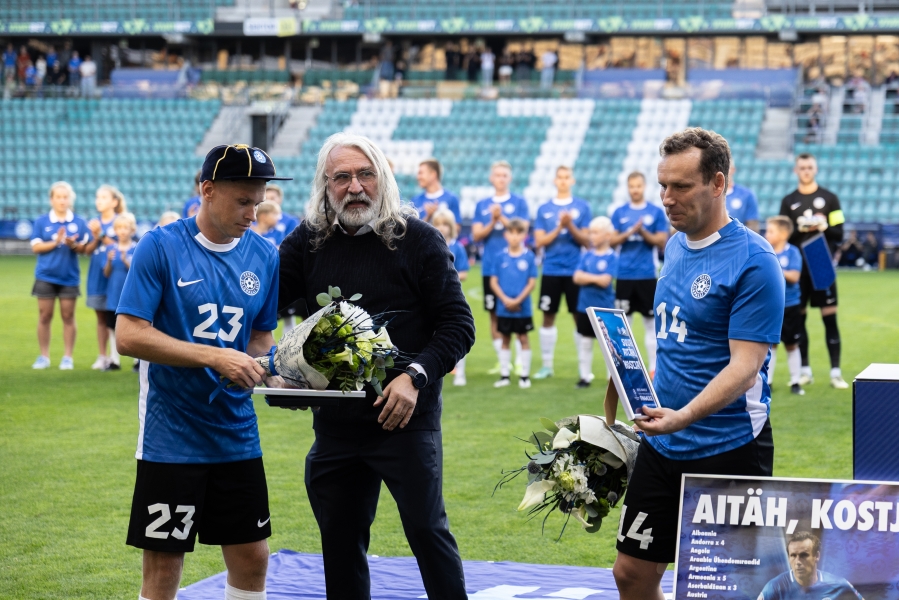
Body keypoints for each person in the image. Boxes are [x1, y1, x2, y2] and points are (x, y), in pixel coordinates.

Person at [277, 132, 475, 600]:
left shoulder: (419, 239)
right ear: (325, 184)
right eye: (342, 177)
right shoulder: (308, 240)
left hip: (404, 420)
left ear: (384, 178)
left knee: (427, 534)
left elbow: (458, 325)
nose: (355, 187)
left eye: (366, 174)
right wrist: (280, 374)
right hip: (336, 426)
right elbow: (265, 305)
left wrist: (414, 377)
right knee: (340, 543)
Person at [609, 128, 783, 599]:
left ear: (718, 183)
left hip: (728, 446)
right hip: (663, 441)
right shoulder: (675, 245)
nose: (667, 198)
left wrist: (683, 416)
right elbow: (677, 341)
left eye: (681, 186)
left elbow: (745, 367)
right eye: (663, 185)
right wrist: (630, 377)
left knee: (724, 588)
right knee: (631, 573)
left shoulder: (754, 260)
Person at [116, 144, 289, 600]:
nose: (253, 213)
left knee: (253, 556)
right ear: (207, 190)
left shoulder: (265, 256)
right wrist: (214, 356)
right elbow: (129, 336)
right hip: (170, 435)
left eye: (259, 203)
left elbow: (260, 337)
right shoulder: (160, 246)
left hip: (237, 432)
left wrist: (276, 373)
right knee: (164, 564)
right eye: (243, 201)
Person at [779, 153, 848, 389]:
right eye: (802, 167)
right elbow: (783, 235)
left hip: (821, 262)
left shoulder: (831, 198)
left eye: (810, 167)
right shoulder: (788, 201)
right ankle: (805, 370)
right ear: (796, 171)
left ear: (815, 169)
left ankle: (835, 372)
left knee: (830, 318)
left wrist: (824, 226)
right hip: (797, 267)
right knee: (799, 319)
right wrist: (799, 229)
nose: (806, 171)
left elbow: (840, 233)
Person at [532, 166, 591, 380]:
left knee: (578, 317)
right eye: (560, 177)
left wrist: (570, 225)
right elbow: (539, 242)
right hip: (551, 270)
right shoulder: (544, 209)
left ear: (572, 180)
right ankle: (547, 366)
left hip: (575, 271)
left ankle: (583, 369)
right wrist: (560, 227)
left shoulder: (582, 207)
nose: (564, 181)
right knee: (548, 316)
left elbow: (587, 240)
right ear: (555, 181)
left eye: (567, 177)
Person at [471, 161, 530, 373]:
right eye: (497, 175)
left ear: (509, 178)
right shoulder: (482, 204)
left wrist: (501, 218)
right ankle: (502, 361)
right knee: (494, 313)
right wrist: (492, 221)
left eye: (504, 175)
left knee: (518, 312)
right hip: (491, 267)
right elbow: (476, 235)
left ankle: (520, 361)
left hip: (516, 269)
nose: (501, 178)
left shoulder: (519, 202)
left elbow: (523, 231)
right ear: (491, 178)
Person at [609, 171, 668, 375]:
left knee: (651, 323)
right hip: (624, 275)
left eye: (638, 186)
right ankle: (622, 368)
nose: (635, 190)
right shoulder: (619, 212)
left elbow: (661, 241)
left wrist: (642, 231)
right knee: (623, 326)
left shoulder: (655, 212)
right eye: (632, 186)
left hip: (647, 275)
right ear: (628, 188)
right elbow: (611, 241)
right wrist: (630, 232)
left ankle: (653, 368)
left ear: (644, 187)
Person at [30, 181, 92, 370]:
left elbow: (85, 249)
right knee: (44, 316)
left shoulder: (79, 222)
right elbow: (36, 247)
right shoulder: (42, 221)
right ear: (52, 199)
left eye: (65, 197)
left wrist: (74, 245)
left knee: (68, 316)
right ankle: (44, 356)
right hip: (45, 275)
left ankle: (67, 357)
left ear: (70, 199)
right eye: (58, 197)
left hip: (69, 277)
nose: (62, 201)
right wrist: (56, 241)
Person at [84, 184, 128, 370]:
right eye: (97, 197)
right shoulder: (93, 222)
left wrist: (100, 234)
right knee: (101, 317)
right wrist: (95, 237)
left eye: (103, 197)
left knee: (117, 317)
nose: (99, 201)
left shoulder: (121, 221)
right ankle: (103, 356)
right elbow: (87, 250)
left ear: (114, 202)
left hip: (116, 278)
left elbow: (121, 245)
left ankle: (117, 356)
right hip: (97, 274)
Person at [490, 218, 537, 389]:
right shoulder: (500, 256)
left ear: (524, 235)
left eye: (519, 233)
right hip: (504, 307)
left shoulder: (529, 256)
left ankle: (524, 376)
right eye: (511, 233)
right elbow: (493, 281)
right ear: (506, 235)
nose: (515, 237)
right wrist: (505, 299)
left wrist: (517, 300)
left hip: (522, 308)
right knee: (505, 338)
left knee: (523, 337)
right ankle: (505, 375)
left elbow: (532, 282)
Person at [572, 216, 618, 388]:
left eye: (596, 233)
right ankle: (585, 377)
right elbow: (577, 277)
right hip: (585, 306)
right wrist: (595, 278)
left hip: (604, 308)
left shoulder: (612, 257)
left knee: (608, 345)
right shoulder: (586, 255)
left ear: (607, 235)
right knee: (585, 341)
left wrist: (587, 277)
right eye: (591, 232)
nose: (591, 236)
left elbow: (606, 280)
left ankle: (611, 378)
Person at [765, 216, 805, 396]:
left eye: (770, 231)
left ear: (783, 234)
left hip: (790, 306)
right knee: (770, 345)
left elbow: (794, 277)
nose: (766, 234)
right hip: (771, 306)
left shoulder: (792, 252)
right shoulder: (765, 251)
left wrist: (775, 269)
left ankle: (796, 381)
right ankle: (768, 382)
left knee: (792, 344)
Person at [759, 532, 864, 599]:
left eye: (803, 555)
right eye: (793, 555)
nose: (798, 561)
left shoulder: (839, 585)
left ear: (816, 556)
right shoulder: (775, 587)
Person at [433, 209, 470, 386]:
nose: (441, 228)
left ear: (452, 227)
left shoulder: (457, 247)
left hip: (452, 298)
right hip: (431, 297)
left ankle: (460, 373)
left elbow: (464, 273)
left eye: (445, 224)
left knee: (455, 333)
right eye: (438, 224)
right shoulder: (430, 244)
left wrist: (445, 276)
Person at [102, 213, 138, 371]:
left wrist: (126, 261)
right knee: (112, 327)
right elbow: (106, 273)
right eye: (119, 228)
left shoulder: (136, 248)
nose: (122, 231)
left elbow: (137, 272)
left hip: (131, 296)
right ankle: (114, 360)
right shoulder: (110, 249)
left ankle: (137, 360)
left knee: (135, 327)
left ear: (132, 230)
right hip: (113, 295)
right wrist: (109, 261)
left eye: (125, 228)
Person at [411, 158, 461, 225]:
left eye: (421, 173)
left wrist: (438, 215)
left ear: (433, 174)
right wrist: (428, 217)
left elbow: (456, 227)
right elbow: (412, 229)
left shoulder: (452, 199)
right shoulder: (415, 201)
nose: (418, 177)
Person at [726, 162, 760, 232]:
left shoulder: (747, 195)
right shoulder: (710, 195)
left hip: (738, 238)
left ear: (733, 170)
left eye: (726, 168)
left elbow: (753, 225)